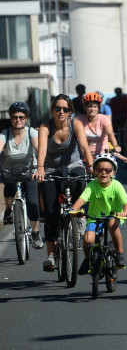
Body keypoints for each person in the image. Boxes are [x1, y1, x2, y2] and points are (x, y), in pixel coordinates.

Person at [33, 94, 94, 272]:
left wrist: (90, 165)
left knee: (78, 183)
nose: (61, 112)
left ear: (70, 112)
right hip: (51, 168)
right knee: (52, 212)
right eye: (57, 108)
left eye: (65, 109)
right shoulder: (45, 127)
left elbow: (83, 147)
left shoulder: (75, 124)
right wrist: (41, 168)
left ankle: (80, 215)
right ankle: (51, 255)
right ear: (53, 110)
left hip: (73, 165)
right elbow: (42, 148)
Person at [69, 154, 127, 275]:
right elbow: (82, 199)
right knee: (88, 240)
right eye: (100, 170)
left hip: (113, 216)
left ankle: (119, 254)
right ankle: (87, 260)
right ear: (95, 172)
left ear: (113, 173)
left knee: (112, 224)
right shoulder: (92, 185)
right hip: (94, 218)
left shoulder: (116, 185)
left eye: (107, 170)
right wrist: (73, 209)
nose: (103, 173)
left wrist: (124, 212)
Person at [0, 102, 43, 248]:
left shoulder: (32, 132)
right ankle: (8, 209)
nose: (18, 120)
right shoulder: (5, 134)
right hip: (10, 170)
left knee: (32, 201)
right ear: (11, 118)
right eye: (14, 117)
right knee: (9, 187)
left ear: (26, 118)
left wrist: (41, 167)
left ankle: (35, 233)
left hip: (30, 170)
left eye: (21, 117)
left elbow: (38, 148)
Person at [76, 92, 127, 163]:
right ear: (85, 108)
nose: (92, 109)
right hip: (85, 157)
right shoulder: (79, 120)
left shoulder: (104, 119)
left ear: (98, 108)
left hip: (103, 154)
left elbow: (111, 135)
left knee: (106, 171)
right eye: (90, 106)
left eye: (95, 106)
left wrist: (116, 145)